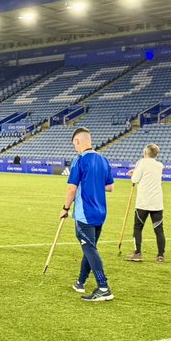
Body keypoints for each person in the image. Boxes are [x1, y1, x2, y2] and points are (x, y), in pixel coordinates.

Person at [61, 127, 115, 301]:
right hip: (100, 213)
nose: (75, 148)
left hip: (85, 213)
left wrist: (65, 208)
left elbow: (71, 188)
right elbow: (110, 187)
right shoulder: (103, 160)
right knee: (90, 247)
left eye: (74, 145)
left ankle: (103, 287)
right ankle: (81, 282)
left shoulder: (80, 160)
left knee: (89, 248)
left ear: (77, 141)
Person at [127, 143, 166, 263]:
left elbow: (135, 179)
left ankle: (137, 253)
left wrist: (133, 173)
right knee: (159, 230)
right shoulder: (159, 165)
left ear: (145, 152)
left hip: (143, 202)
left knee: (138, 227)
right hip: (157, 202)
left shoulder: (141, 163)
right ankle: (160, 256)